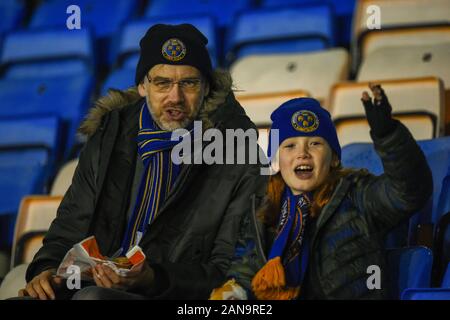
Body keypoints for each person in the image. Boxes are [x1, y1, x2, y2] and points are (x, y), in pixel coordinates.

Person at [18, 23, 266, 300]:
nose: (175, 97)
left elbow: (231, 271)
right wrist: (47, 267)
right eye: (162, 83)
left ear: (206, 87)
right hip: (86, 287)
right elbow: (71, 224)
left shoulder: (239, 153)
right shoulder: (109, 135)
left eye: (189, 83)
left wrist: (153, 278)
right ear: (142, 86)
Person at [210, 85, 433, 300]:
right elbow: (244, 270)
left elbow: (409, 191)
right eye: (290, 146)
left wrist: (388, 135)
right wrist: (234, 291)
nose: (303, 154)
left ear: (334, 158)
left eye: (315, 143)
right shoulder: (262, 209)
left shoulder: (358, 194)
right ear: (277, 160)